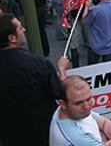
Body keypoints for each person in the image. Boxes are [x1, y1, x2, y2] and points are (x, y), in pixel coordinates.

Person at [0, 13, 69, 146]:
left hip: (9, 135)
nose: (24, 30)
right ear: (12, 38)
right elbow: (62, 93)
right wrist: (62, 69)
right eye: (20, 28)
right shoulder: (38, 63)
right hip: (43, 132)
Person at [49, 75, 111, 145]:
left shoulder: (72, 110)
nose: (87, 106)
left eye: (88, 99)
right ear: (62, 104)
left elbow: (104, 123)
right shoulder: (75, 137)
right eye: (78, 103)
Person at [83, 0, 111, 65]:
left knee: (92, 70)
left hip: (96, 46)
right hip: (110, 46)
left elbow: (84, 22)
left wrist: (86, 7)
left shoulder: (95, 10)